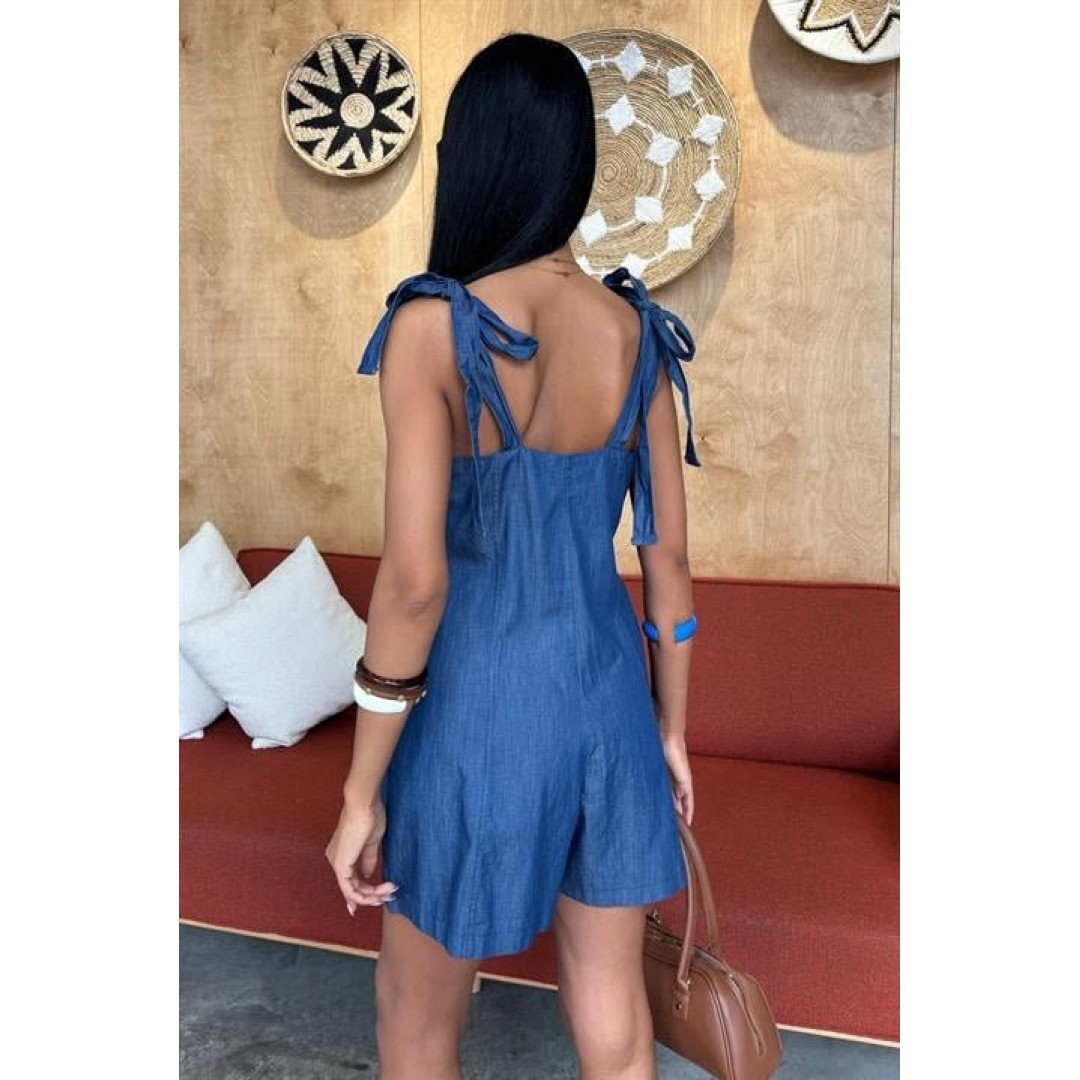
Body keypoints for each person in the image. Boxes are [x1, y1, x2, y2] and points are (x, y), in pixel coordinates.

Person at [326, 31, 700, 1080]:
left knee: (415, 1019)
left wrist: (360, 790)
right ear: (576, 164)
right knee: (614, 1018)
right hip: (607, 701)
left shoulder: (431, 327)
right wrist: (671, 731)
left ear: (473, 159)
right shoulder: (638, 334)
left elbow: (415, 587)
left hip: (476, 711)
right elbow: (669, 568)